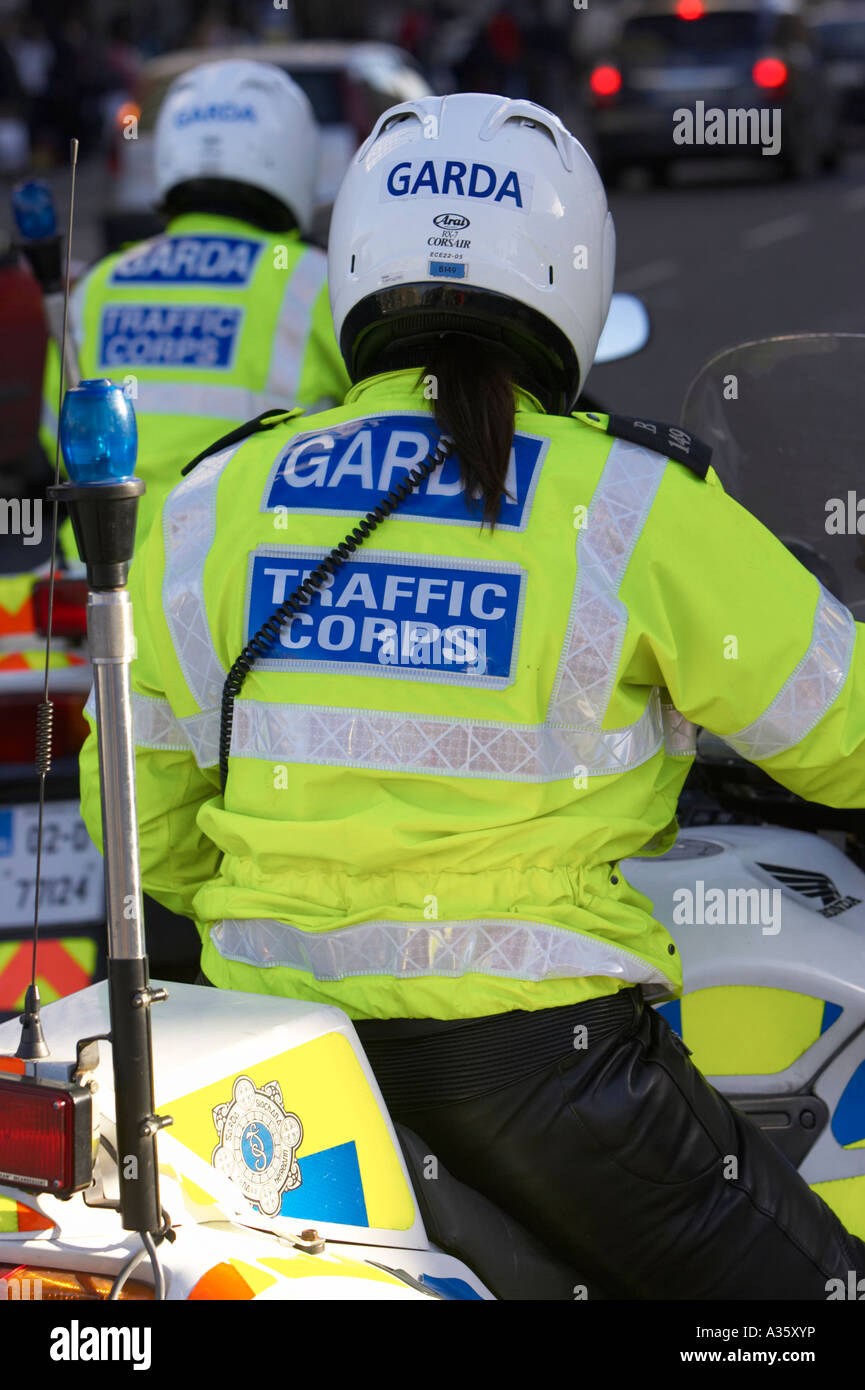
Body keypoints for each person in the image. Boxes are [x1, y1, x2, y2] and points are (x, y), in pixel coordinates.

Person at [79, 93, 865, 1299]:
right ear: (573, 275)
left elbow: (136, 810)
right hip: (546, 1077)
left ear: (357, 263)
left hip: (277, 1061)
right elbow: (843, 731)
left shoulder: (211, 500)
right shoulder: (631, 502)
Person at [40, 58, 350, 548]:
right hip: (250, 590)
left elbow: (56, 434)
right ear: (295, 158)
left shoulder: (99, 282)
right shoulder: (318, 282)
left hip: (103, 577)